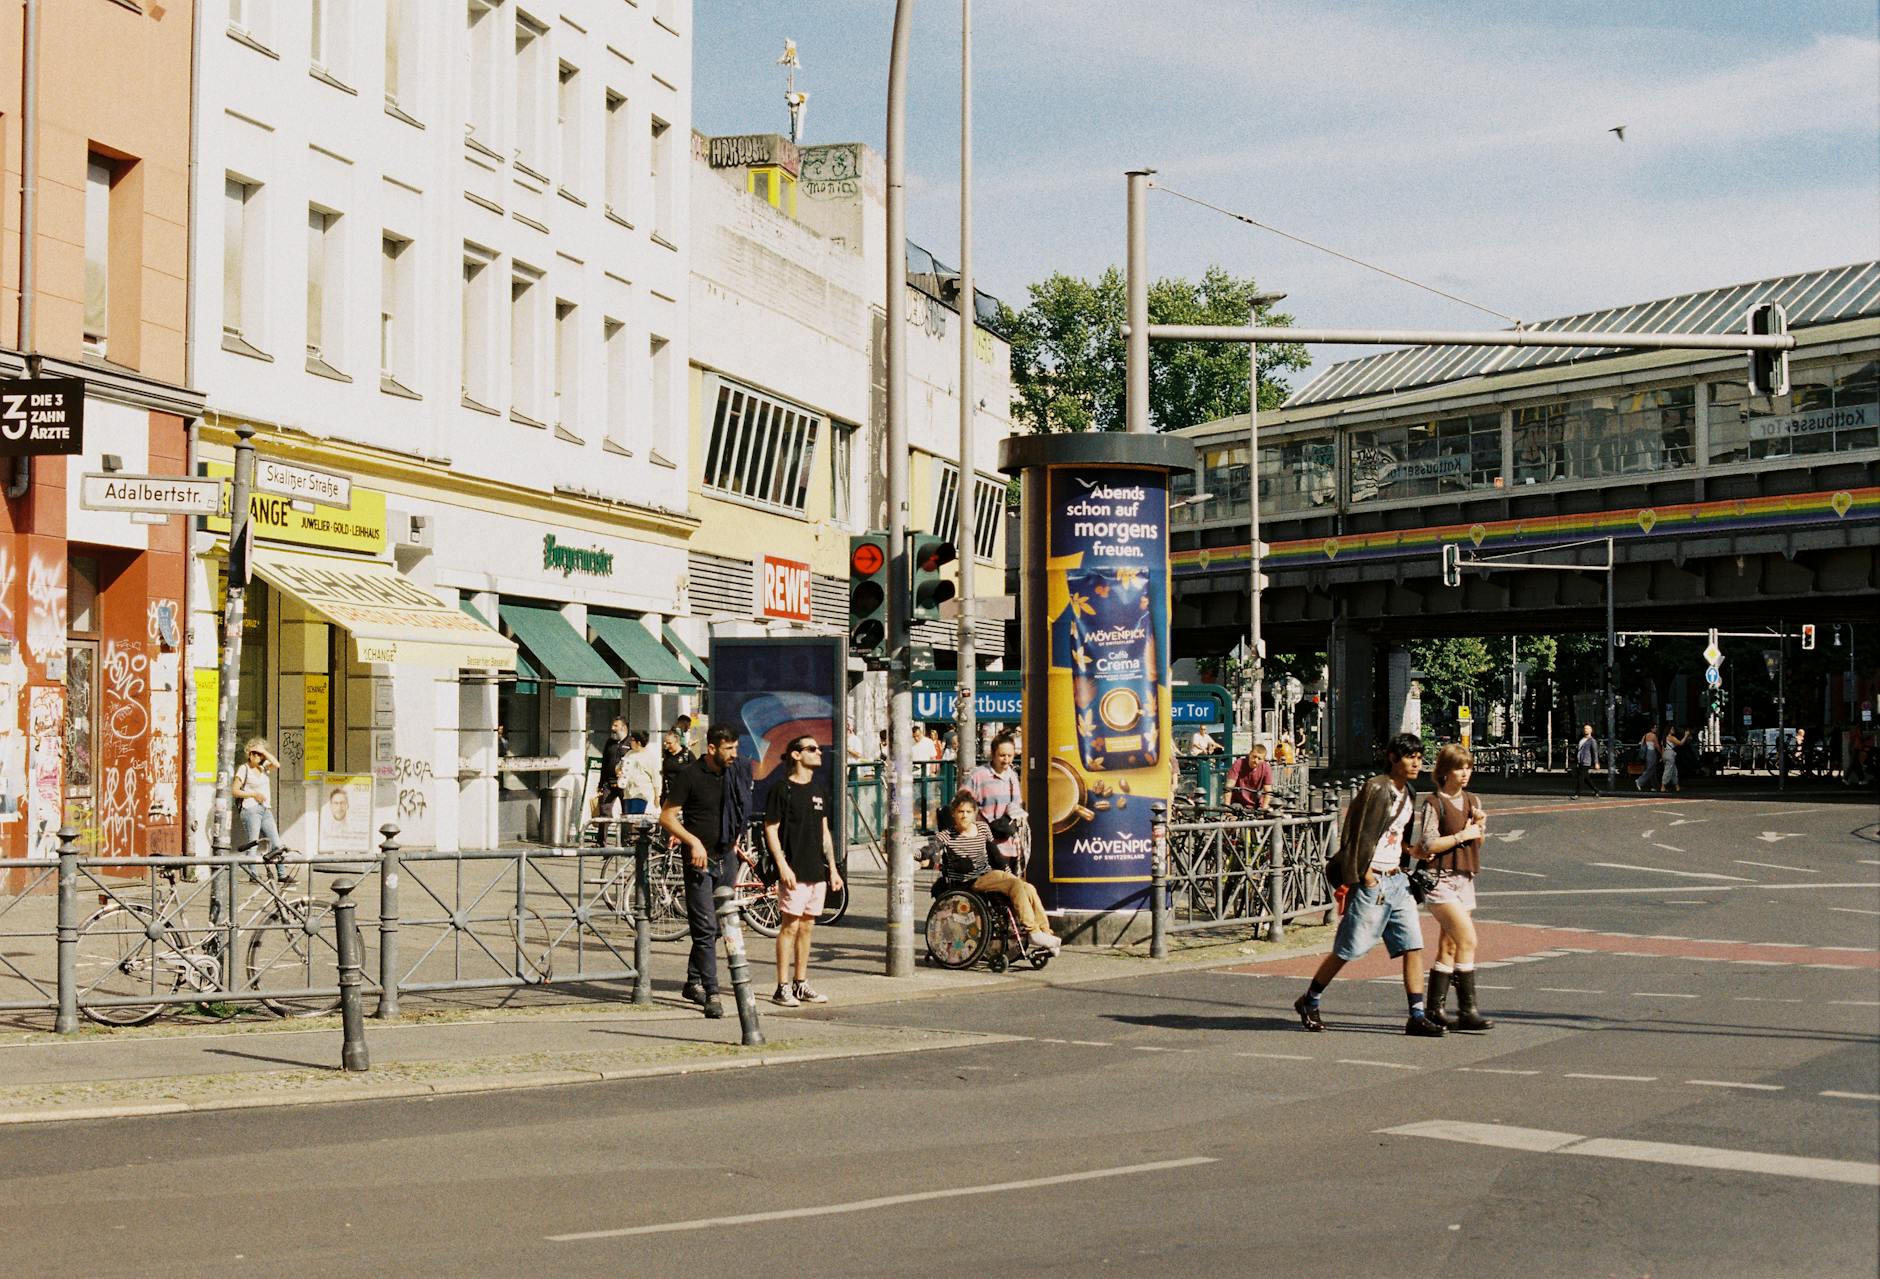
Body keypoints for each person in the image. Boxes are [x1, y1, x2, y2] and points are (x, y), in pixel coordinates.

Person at [1291, 733, 1445, 1037]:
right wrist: (1364, 876)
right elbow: (1357, 833)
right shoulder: (1376, 788)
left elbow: (1395, 834)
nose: (1417, 762)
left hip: (1397, 881)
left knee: (1413, 945)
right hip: (1373, 882)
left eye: (1419, 756)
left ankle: (1416, 1014)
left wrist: (1410, 852)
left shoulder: (1408, 792)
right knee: (1348, 949)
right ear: (1392, 758)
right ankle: (1309, 1000)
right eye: (1410, 756)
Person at [658, 725, 742, 1019]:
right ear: (712, 748)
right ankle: (712, 992)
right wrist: (692, 841)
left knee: (717, 927)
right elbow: (667, 817)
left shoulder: (732, 774)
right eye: (728, 749)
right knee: (705, 928)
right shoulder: (690, 776)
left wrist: (736, 838)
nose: (734, 754)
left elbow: (738, 808)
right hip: (699, 862)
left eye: (735, 748)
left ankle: (693, 982)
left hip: (726, 857)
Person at [922, 791, 1060, 955]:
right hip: (969, 882)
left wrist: (1007, 871)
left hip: (988, 875)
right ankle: (1033, 931)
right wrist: (920, 854)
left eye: (968, 812)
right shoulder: (947, 835)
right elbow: (932, 848)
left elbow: (993, 852)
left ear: (975, 814)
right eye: (960, 812)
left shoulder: (982, 828)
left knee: (1028, 887)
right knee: (1015, 885)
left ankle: (1045, 932)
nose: (964, 815)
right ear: (954, 814)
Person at [763, 735, 843, 1006]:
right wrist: (782, 865)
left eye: (818, 748)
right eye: (811, 749)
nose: (818, 752)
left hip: (815, 869)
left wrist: (832, 868)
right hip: (793, 868)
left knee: (808, 926)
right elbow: (771, 829)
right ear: (796, 755)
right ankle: (781, 986)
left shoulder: (818, 789)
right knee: (790, 925)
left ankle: (800, 982)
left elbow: (824, 831)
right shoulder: (781, 789)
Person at [1419, 745, 1492, 1032]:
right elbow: (1428, 844)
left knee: (1449, 944)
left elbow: (1477, 843)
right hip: (1440, 879)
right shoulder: (1434, 803)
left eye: (1469, 767)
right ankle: (1467, 1009)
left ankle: (1435, 1009)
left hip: (1465, 877)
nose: (1465, 773)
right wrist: (1464, 833)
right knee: (1468, 940)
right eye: (1459, 768)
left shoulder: (1473, 800)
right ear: (1445, 771)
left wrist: (1479, 828)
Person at [965, 731, 1024, 870]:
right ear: (993, 754)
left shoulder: (1012, 775)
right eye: (1002, 755)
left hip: (1008, 840)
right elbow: (963, 801)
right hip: (986, 842)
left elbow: (1016, 804)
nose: (1006, 760)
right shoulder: (979, 775)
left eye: (1010, 756)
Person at [233, 738, 288, 868]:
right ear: (249, 754)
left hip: (265, 809)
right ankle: (253, 874)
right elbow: (235, 791)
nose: (257, 756)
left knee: (277, 844)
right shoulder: (243, 769)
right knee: (253, 844)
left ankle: (282, 874)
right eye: (254, 753)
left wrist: (263, 750)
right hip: (250, 809)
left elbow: (277, 764)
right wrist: (253, 794)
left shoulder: (264, 767)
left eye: (260, 754)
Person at [598, 716, 632, 840]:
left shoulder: (631, 742)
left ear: (623, 728)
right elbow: (604, 763)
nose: (612, 728)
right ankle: (601, 842)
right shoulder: (610, 742)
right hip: (609, 783)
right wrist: (601, 784)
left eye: (615, 726)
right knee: (604, 811)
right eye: (612, 725)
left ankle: (625, 841)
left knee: (626, 812)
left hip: (625, 784)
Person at [621, 729, 659, 816]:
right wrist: (619, 772)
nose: (630, 742)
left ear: (639, 742)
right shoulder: (629, 754)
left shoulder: (649, 757)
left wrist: (657, 796)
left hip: (641, 794)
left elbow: (656, 778)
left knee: (636, 819)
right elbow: (619, 767)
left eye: (632, 740)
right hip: (628, 793)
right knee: (627, 819)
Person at [1226, 742, 1272, 811]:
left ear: (1263, 760)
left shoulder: (1266, 768)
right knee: (1235, 816)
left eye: (1259, 759)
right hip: (1238, 802)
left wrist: (1264, 809)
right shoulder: (1239, 763)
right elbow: (1229, 787)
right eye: (1254, 756)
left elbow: (1268, 792)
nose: (1256, 760)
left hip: (1258, 804)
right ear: (1250, 754)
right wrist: (1227, 809)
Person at [659, 726, 694, 803]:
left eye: (669, 743)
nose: (667, 746)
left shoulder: (687, 755)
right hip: (669, 795)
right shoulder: (666, 756)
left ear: (677, 741)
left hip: (684, 795)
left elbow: (695, 774)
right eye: (665, 743)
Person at [1572, 723, 1602, 798]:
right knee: (1586, 779)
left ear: (1591, 731)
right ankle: (1597, 791)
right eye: (1585, 729)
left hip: (1586, 762)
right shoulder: (1581, 740)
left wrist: (1596, 763)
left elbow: (1595, 752)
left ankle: (1577, 794)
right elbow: (1578, 750)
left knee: (1580, 778)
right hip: (1580, 761)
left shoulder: (1592, 741)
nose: (1585, 730)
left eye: (1587, 729)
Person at [1659, 724, 1686, 793]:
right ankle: (1663, 786)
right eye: (1672, 729)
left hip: (1665, 754)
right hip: (1670, 754)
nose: (1673, 730)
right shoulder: (1671, 737)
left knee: (1673, 770)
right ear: (1669, 730)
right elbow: (1680, 743)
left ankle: (1677, 786)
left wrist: (1662, 757)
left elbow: (1663, 748)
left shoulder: (1664, 738)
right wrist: (1686, 735)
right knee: (1668, 770)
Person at [1635, 728, 1660, 792]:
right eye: (1654, 727)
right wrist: (1661, 752)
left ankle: (1654, 786)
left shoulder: (1645, 735)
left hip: (1647, 753)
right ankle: (1640, 781)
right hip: (1652, 752)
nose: (1656, 729)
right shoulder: (1653, 736)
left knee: (1653, 769)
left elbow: (1641, 743)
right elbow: (1657, 745)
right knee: (1650, 768)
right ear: (1651, 729)